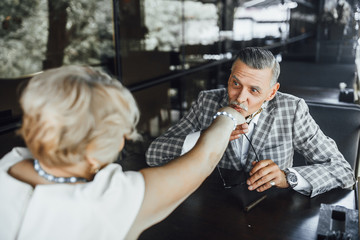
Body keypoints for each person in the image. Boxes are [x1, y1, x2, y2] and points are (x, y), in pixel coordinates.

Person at [0, 65, 245, 240]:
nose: (124, 139)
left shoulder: (10, 162)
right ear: (92, 154)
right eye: (120, 134)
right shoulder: (108, 201)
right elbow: (201, 162)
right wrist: (229, 116)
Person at [146, 47, 355, 198]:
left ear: (272, 92)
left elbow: (343, 171)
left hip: (272, 215)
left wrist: (287, 177)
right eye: (235, 83)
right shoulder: (207, 101)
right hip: (212, 207)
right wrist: (207, 137)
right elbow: (154, 153)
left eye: (254, 90)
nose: (239, 97)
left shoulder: (293, 110)